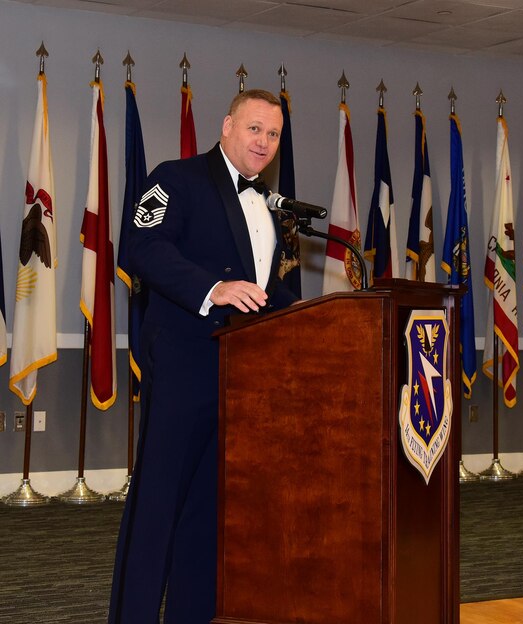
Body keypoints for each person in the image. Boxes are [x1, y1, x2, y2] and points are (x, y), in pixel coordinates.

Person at [108, 89, 299, 623]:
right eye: (255, 128)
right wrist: (212, 288)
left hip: (240, 380)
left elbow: (260, 289)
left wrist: (317, 314)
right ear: (227, 126)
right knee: (158, 508)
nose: (264, 142)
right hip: (183, 370)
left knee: (209, 513)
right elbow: (140, 247)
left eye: (274, 135)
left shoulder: (267, 205)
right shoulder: (176, 177)